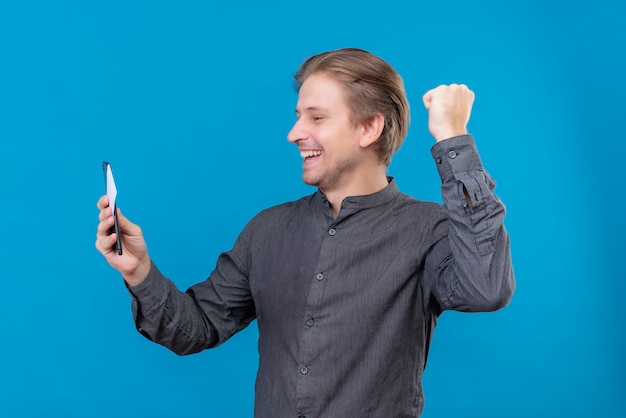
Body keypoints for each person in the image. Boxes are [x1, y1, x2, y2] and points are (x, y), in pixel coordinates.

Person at [95, 47, 515, 417]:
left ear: (369, 128)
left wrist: (452, 138)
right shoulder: (267, 230)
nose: (294, 133)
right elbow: (196, 328)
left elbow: (485, 289)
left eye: (316, 117)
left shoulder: (429, 230)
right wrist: (139, 271)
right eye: (298, 116)